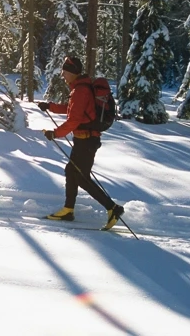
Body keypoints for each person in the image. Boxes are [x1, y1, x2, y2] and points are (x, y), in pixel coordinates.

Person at [35, 56, 124, 230]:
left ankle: (112, 208)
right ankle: (68, 209)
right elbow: (71, 109)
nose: (62, 75)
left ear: (72, 72)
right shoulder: (80, 88)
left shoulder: (81, 90)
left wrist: (55, 133)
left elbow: (74, 119)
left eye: (64, 71)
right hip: (84, 139)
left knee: (82, 178)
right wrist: (50, 106)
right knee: (71, 171)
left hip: (87, 140)